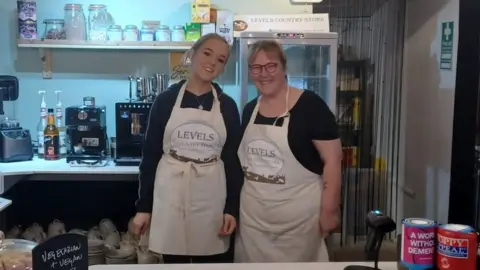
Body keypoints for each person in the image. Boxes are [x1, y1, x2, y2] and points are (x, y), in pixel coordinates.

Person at [131, 33, 243, 264]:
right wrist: (144, 207)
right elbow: (150, 157)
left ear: (223, 67)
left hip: (211, 197)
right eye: (207, 53)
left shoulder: (227, 106)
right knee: (175, 262)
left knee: (211, 261)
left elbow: (233, 162)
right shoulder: (165, 101)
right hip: (170, 195)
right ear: (192, 54)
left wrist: (231, 209)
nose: (212, 62)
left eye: (221, 59)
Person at [235, 40, 343, 262]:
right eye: (256, 67)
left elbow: (333, 160)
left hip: (299, 227)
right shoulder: (249, 111)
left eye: (271, 66)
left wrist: (329, 210)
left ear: (284, 68)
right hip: (253, 225)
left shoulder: (311, 106)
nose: (264, 74)